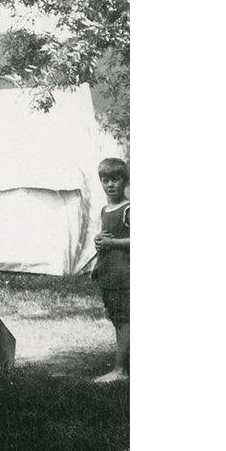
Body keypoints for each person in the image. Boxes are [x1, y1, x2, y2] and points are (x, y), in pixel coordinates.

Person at [92, 157, 130, 383]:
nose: (110, 185)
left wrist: (112, 244)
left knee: (124, 319)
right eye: (105, 180)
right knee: (117, 319)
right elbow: (106, 238)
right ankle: (122, 365)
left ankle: (120, 370)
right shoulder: (105, 210)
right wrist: (99, 243)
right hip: (109, 273)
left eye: (115, 179)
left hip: (124, 273)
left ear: (125, 181)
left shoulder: (129, 208)